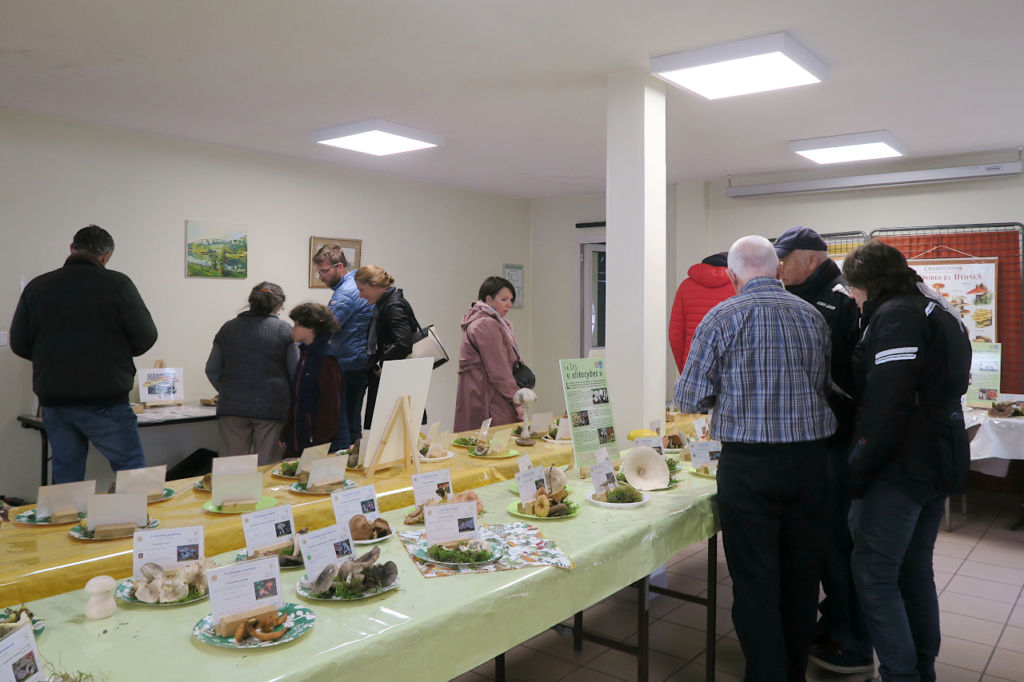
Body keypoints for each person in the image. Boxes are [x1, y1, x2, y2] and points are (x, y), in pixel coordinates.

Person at [675, 235, 835, 682]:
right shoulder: (812, 316)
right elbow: (820, 383)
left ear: (730, 275)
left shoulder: (720, 317)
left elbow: (688, 398)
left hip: (749, 467)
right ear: (778, 270)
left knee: (755, 581)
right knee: (802, 578)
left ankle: (767, 674)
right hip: (809, 463)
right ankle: (793, 671)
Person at [842, 240, 971, 682]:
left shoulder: (896, 315)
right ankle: (920, 669)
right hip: (940, 455)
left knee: (874, 573)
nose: (852, 296)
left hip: (901, 464)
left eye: (854, 288)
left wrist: (857, 466)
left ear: (868, 283)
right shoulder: (938, 309)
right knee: (914, 570)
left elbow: (889, 401)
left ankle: (900, 674)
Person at [774, 226, 870, 675]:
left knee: (836, 542)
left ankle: (851, 638)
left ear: (810, 259)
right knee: (822, 539)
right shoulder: (803, 294)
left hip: (836, 438)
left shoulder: (839, 297)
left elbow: (848, 371)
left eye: (785, 257)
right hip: (812, 440)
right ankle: (831, 622)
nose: (779, 266)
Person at [10, 225, 158, 483]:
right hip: (106, 397)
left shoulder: (38, 286)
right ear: (106, 256)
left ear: (71, 249)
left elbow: (19, 343)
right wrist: (116, 356)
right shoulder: (117, 284)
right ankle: (135, 523)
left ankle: (64, 521)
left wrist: (52, 359)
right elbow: (146, 336)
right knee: (131, 472)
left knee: (66, 475)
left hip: (54, 399)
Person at [205, 282, 298, 465]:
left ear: (250, 301)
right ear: (278, 306)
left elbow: (212, 369)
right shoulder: (285, 330)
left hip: (231, 407)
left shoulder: (228, 328)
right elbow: (295, 372)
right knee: (268, 467)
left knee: (232, 469)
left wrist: (227, 389)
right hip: (273, 408)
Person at [312, 244, 373, 451]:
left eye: (324, 270)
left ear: (339, 266)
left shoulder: (346, 293)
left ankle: (349, 467)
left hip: (350, 365)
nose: (320, 276)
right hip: (355, 362)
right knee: (351, 418)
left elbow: (324, 328)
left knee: (345, 422)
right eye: (318, 271)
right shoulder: (355, 284)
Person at [454, 276, 524, 432]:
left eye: (511, 300)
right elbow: (499, 370)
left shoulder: (482, 320)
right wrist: (517, 401)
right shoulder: (486, 324)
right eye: (504, 299)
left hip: (480, 393)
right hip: (490, 397)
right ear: (489, 299)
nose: (509, 304)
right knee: (495, 448)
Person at [354, 265, 420, 429]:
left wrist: (380, 363)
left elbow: (404, 343)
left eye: (362, 290)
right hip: (393, 374)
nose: (361, 295)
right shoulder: (386, 304)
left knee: (386, 428)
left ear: (374, 285)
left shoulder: (393, 306)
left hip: (393, 377)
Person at [279, 303, 341, 458]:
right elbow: (297, 399)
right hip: (299, 438)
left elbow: (330, 405)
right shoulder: (305, 355)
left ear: (311, 328)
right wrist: (287, 430)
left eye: (297, 324)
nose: (292, 329)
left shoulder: (326, 359)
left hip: (315, 442)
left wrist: (321, 443)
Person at [668, 252, 733, 373]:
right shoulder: (739, 287)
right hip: (729, 368)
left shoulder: (685, 286)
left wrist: (684, 369)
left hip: (693, 365)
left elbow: (675, 335)